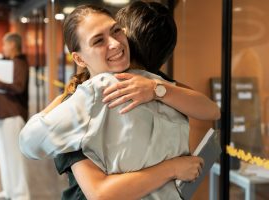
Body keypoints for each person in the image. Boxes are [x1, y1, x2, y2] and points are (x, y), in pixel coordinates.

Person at [20, 3, 219, 200]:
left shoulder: (154, 84)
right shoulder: (85, 101)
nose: (115, 44)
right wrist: (173, 168)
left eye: (116, 31)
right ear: (79, 59)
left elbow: (211, 110)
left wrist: (155, 90)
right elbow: (100, 193)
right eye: (98, 41)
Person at [0, 33, 30, 200]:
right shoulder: (10, 63)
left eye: (4, 45)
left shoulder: (19, 63)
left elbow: (18, 87)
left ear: (13, 45)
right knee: (4, 154)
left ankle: (20, 194)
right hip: (3, 113)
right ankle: (9, 189)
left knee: (14, 156)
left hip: (13, 114)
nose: (3, 48)